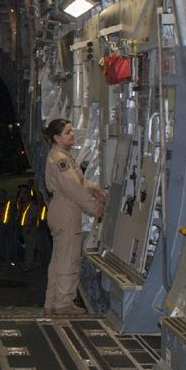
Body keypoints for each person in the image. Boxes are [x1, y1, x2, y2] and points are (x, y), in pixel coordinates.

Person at [42, 119, 106, 315]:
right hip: (66, 210)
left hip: (62, 208)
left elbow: (76, 181)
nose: (72, 135)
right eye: (68, 132)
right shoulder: (60, 159)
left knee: (60, 257)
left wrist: (93, 188)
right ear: (56, 137)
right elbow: (72, 188)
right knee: (68, 258)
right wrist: (95, 207)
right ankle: (63, 303)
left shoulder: (61, 157)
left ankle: (52, 302)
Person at [0, 188, 14, 266]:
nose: (0, 195)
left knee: (9, 243)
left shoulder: (9, 203)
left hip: (8, 226)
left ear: (5, 195)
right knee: (1, 244)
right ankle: (2, 259)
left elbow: (12, 214)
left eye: (2, 194)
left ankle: (11, 260)